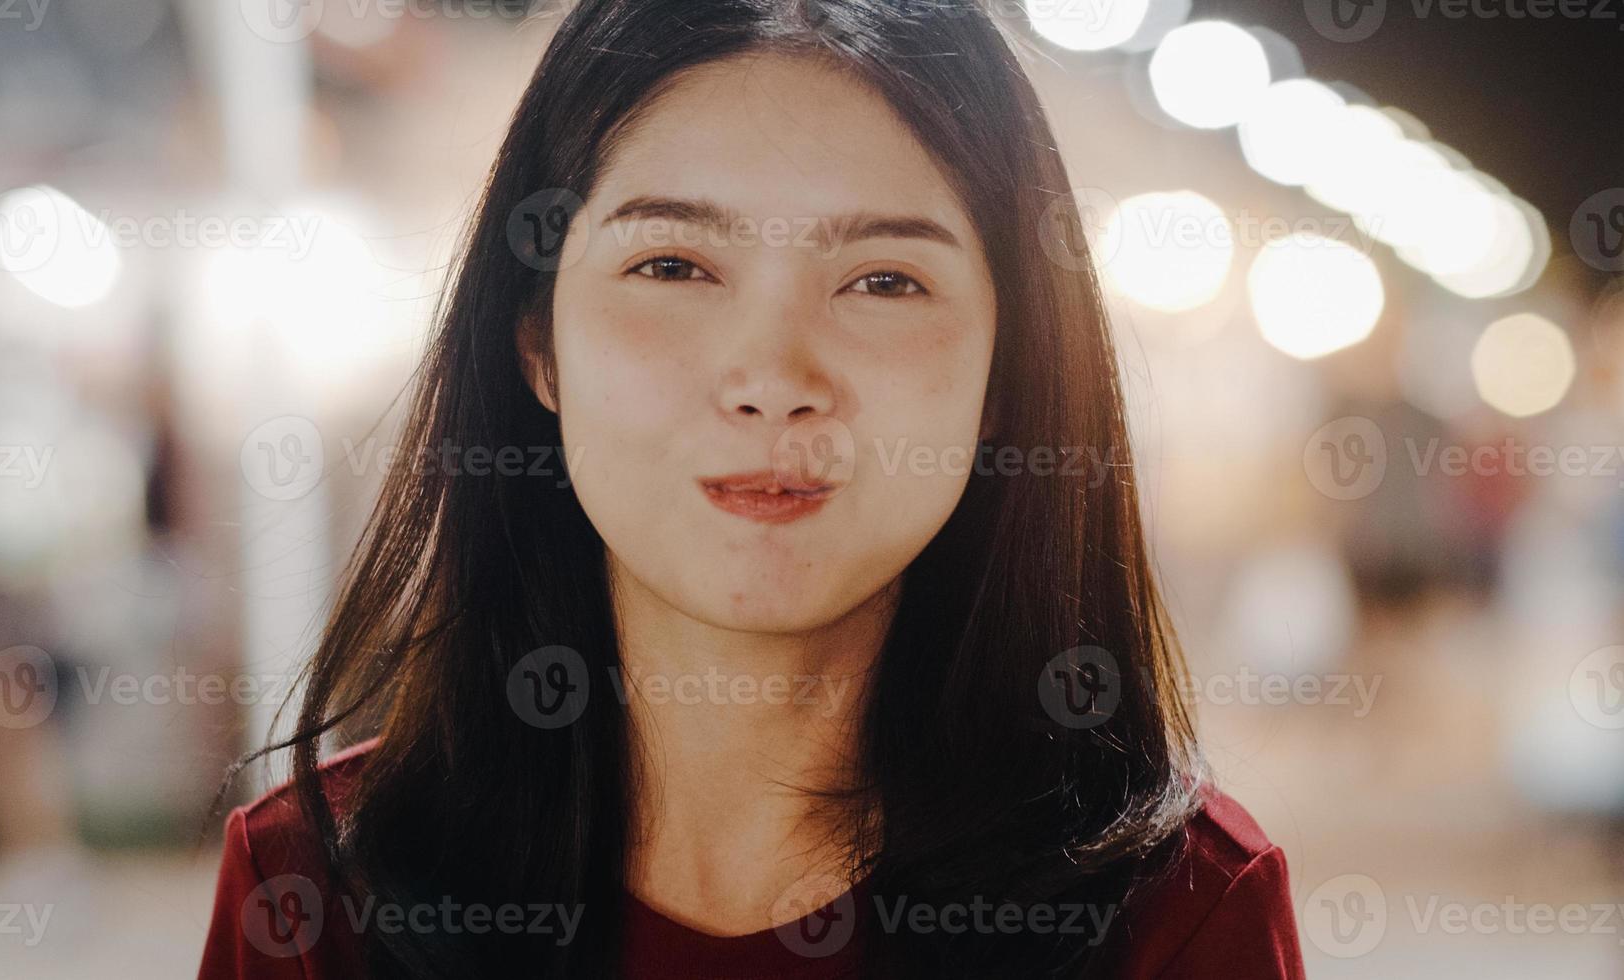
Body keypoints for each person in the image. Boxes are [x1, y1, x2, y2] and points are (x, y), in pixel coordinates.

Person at [199, 1, 1305, 976]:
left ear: (1009, 373)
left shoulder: (1172, 918)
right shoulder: (322, 896)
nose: (773, 380)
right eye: (672, 266)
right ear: (534, 341)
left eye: (882, 278)